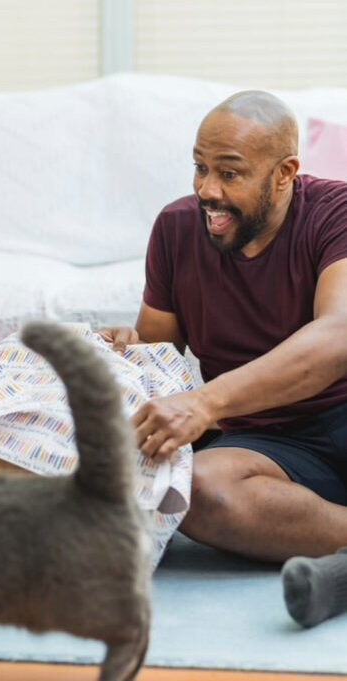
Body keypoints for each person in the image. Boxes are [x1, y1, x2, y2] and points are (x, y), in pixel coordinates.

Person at [100, 90, 347, 587]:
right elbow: (159, 358)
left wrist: (205, 402)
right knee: (194, 490)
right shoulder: (175, 229)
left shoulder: (334, 212)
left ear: (284, 173)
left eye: (229, 174)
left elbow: (337, 336)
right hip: (262, 445)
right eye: (200, 168)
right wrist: (126, 352)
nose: (207, 190)